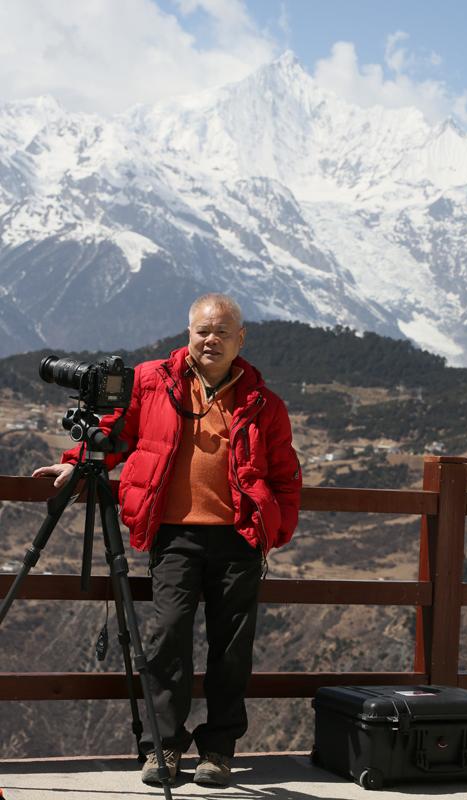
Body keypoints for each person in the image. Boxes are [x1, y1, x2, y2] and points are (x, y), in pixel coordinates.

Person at [32, 293, 302, 787]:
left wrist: (274, 529)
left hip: (238, 539)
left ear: (240, 339)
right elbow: (114, 431)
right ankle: (163, 748)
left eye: (222, 331)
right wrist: (75, 460)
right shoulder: (154, 382)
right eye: (203, 330)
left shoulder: (264, 403)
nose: (211, 339)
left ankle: (218, 751)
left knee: (232, 650)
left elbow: (286, 475)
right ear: (188, 334)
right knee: (167, 639)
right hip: (174, 535)